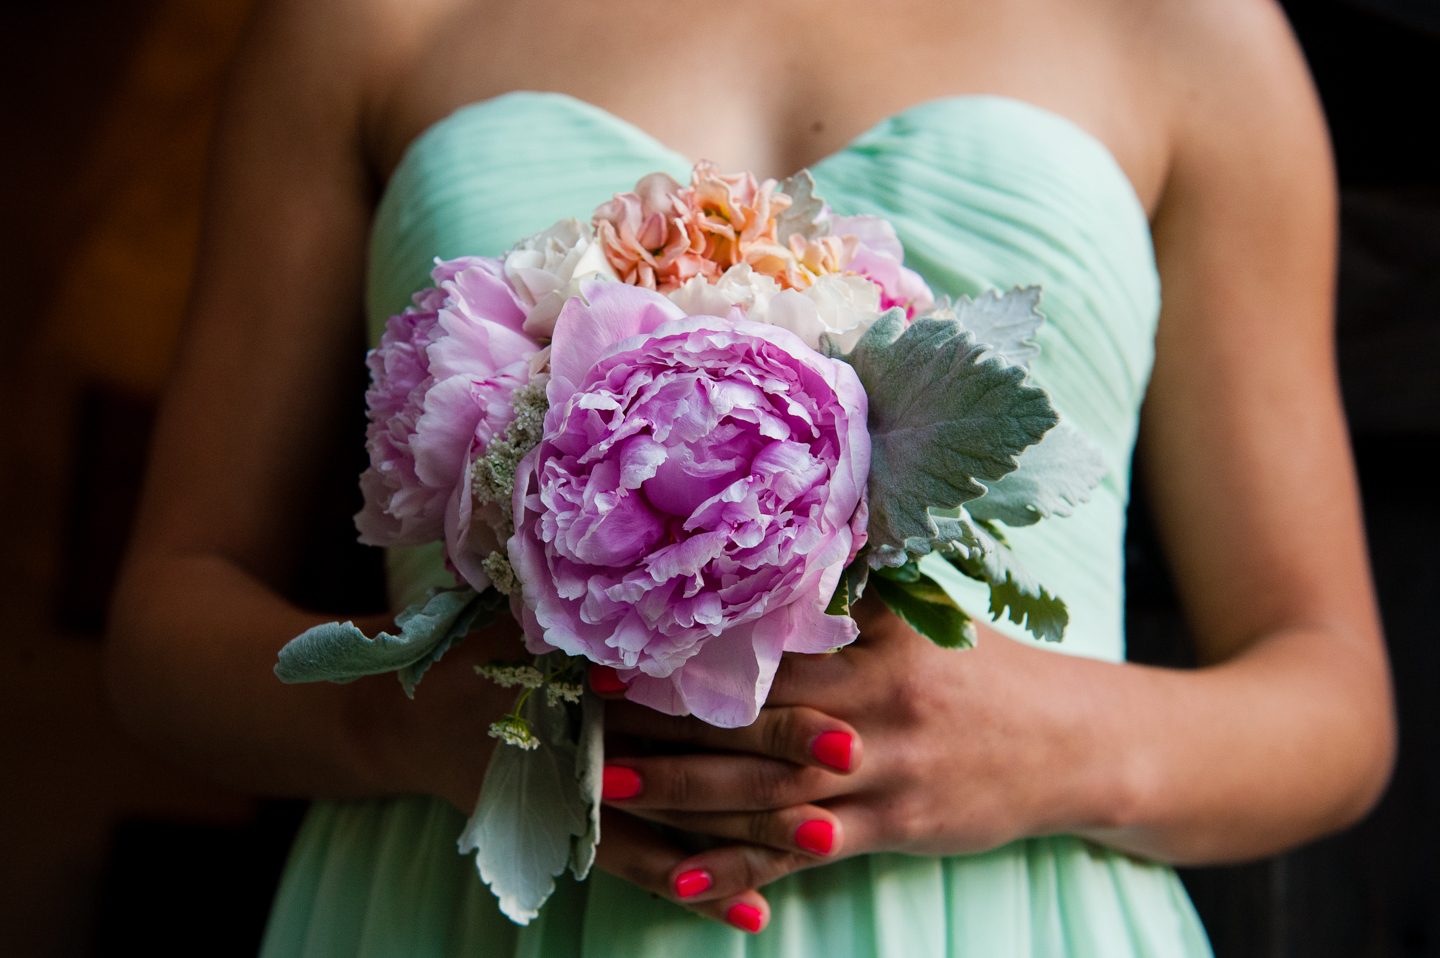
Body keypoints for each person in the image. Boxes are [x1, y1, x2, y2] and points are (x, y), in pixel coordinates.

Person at [106, 0, 1395, 953]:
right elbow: (169, 624)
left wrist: (1048, 746)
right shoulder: (356, 23)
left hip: (1005, 910)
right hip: (466, 898)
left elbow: (1334, 702)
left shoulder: (1198, 34)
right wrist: (403, 714)